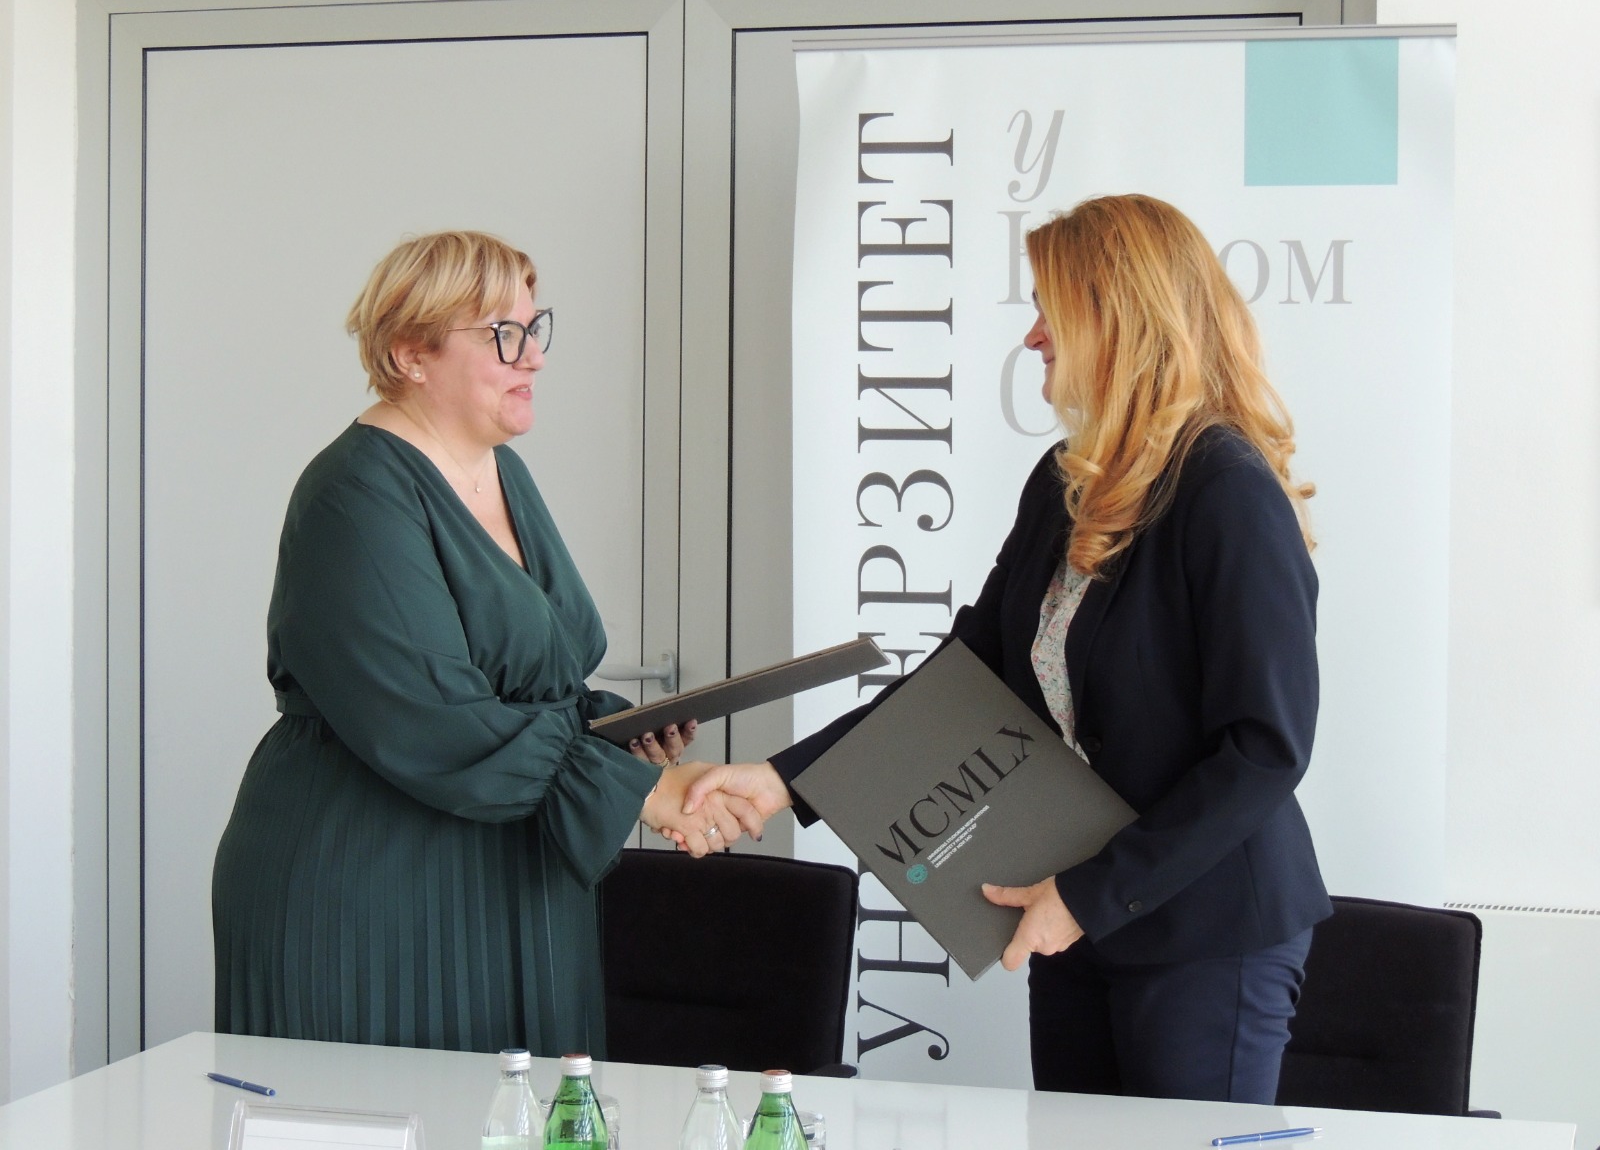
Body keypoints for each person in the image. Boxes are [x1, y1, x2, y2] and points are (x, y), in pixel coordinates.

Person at [684, 195, 1330, 1103]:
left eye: (1049, 310)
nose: (1032, 338)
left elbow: (1264, 750)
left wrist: (1089, 896)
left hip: (1205, 933)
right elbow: (968, 682)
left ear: (1120, 317)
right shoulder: (1067, 480)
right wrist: (784, 780)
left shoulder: (1227, 489)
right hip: (1068, 913)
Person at [212, 231, 757, 1055]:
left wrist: (618, 735)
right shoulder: (352, 495)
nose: (533, 356)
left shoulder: (501, 471)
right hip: (371, 884)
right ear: (410, 354)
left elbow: (533, 677)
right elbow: (433, 716)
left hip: (509, 875)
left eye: (535, 329)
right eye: (504, 335)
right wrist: (641, 791)